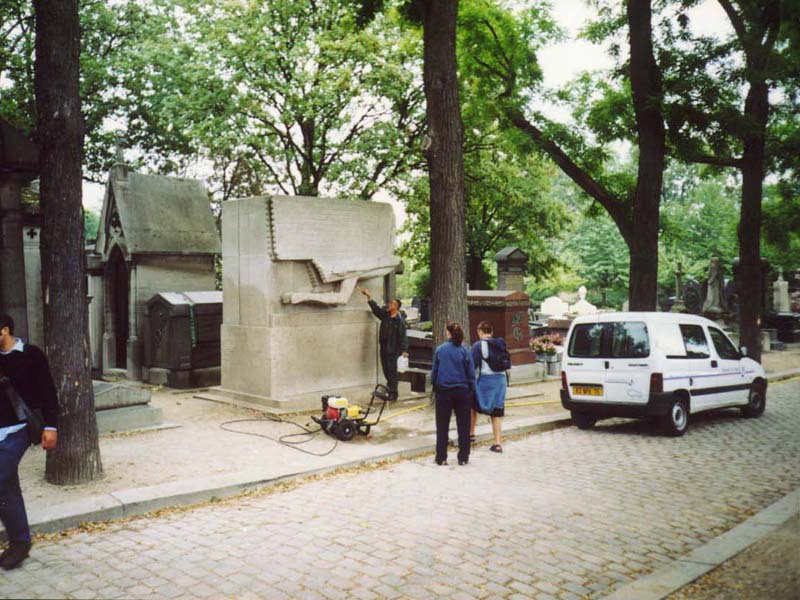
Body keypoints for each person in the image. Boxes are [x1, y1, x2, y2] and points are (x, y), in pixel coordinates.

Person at [0, 314, 58, 570]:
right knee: (7, 486)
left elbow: (48, 391)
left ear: (4, 330)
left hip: (20, 430)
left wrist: (51, 426)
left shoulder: (31, 355)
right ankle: (20, 543)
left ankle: (19, 542)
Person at [431, 322, 475, 466]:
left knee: (442, 425)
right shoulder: (465, 351)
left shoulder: (440, 350)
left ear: (448, 333)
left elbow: (434, 372)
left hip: (444, 391)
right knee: (463, 425)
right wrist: (471, 390)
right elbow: (471, 373)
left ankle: (441, 456)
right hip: (462, 391)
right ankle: (463, 456)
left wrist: (435, 387)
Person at [359, 287, 408, 400]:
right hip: (384, 348)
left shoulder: (399, 321)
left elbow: (403, 336)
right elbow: (375, 309)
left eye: (391, 303)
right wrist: (368, 295)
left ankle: (393, 394)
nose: (389, 304)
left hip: (393, 350)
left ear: (396, 307)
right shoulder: (385, 315)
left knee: (392, 371)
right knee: (386, 370)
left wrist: (404, 350)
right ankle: (390, 390)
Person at [470, 321, 507, 453]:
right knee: (497, 412)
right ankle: (497, 443)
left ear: (480, 331)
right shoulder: (501, 344)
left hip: (486, 380)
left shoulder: (478, 345)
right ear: (491, 332)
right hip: (501, 380)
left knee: (473, 405)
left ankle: (471, 434)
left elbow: (471, 367)